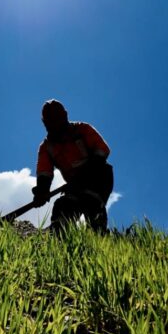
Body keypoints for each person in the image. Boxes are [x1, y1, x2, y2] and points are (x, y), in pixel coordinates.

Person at [31, 99, 114, 234]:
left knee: (92, 203)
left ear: (65, 117)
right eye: (51, 122)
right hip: (75, 185)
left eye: (57, 120)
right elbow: (44, 172)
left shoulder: (83, 130)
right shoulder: (47, 147)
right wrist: (42, 190)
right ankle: (59, 236)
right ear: (45, 123)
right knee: (63, 206)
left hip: (99, 178)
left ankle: (98, 236)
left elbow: (103, 150)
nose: (55, 125)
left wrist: (86, 172)